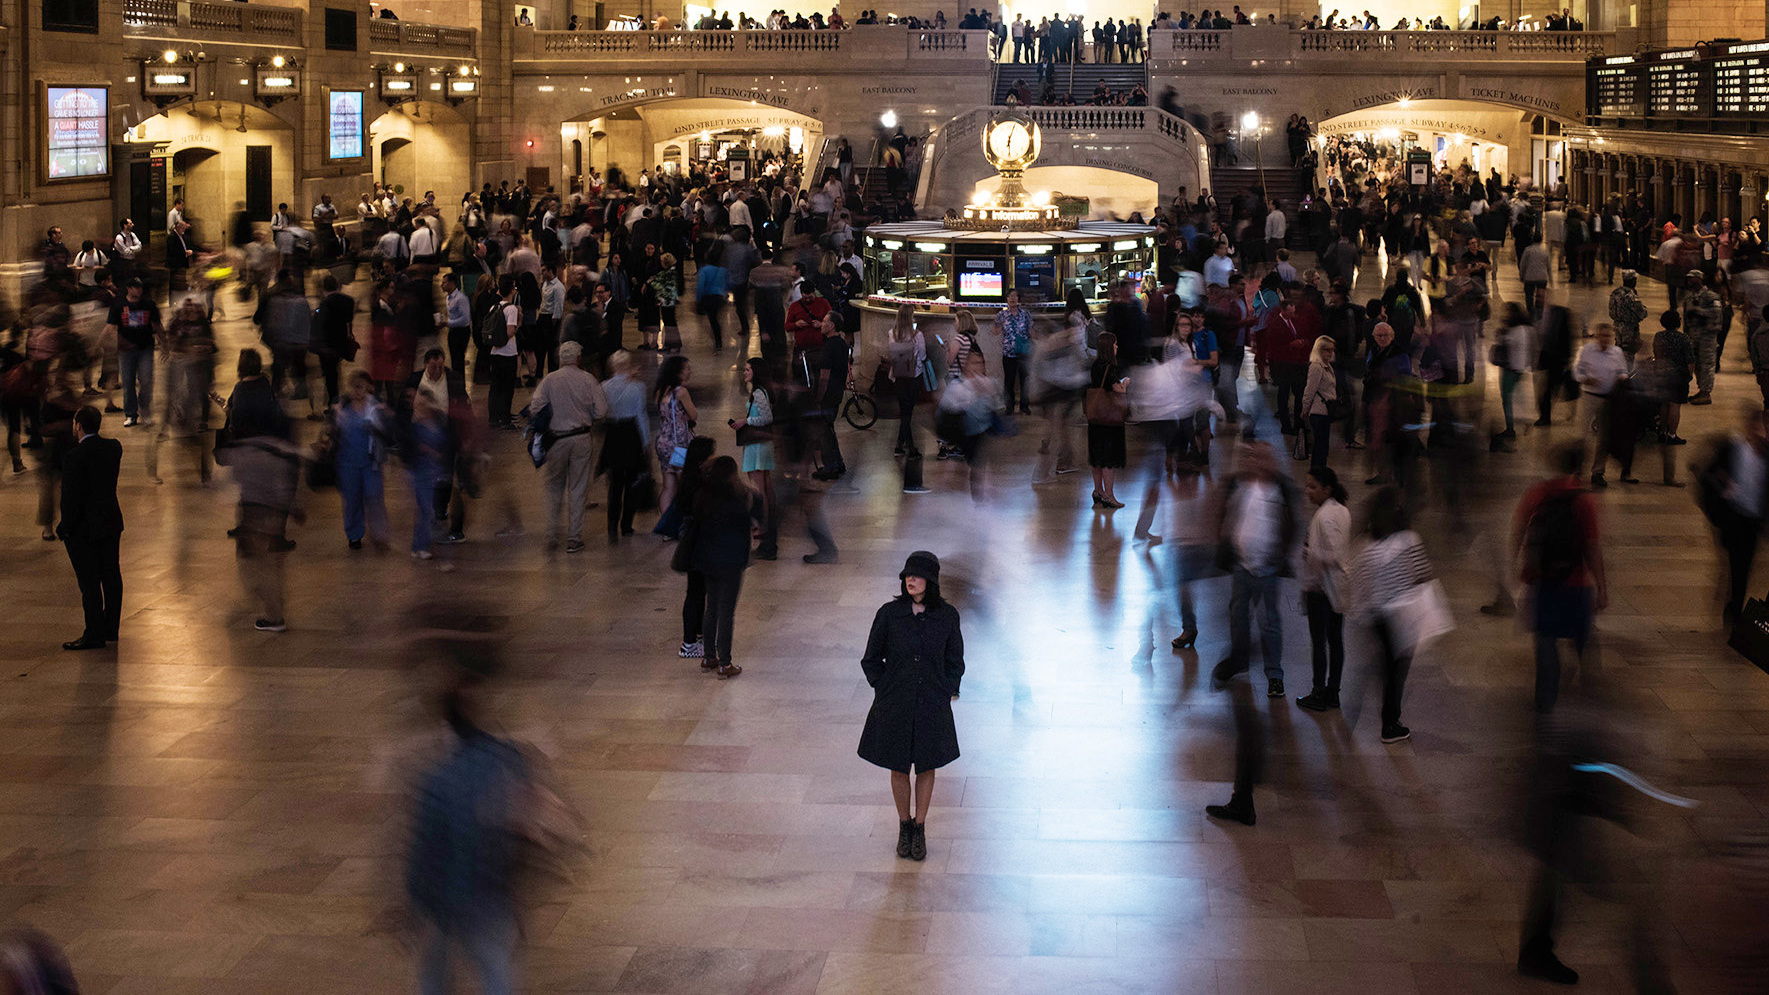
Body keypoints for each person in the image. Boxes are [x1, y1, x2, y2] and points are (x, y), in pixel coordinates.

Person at [858, 551, 965, 862]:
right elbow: (871, 659)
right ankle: (904, 825)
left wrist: (947, 690)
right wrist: (884, 688)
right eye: (907, 575)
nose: (910, 580)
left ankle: (920, 827)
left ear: (931, 580)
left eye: (917, 575)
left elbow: (955, 661)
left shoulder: (947, 616)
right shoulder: (889, 614)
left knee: (927, 765)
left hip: (931, 703)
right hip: (896, 703)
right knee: (898, 765)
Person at [1513, 445, 1606, 712]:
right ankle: (1590, 686)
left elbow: (1519, 532)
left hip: (1543, 581)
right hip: (1575, 583)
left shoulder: (1537, 493)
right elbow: (1591, 547)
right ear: (1579, 468)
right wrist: (1602, 586)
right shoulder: (1583, 500)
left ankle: (1545, 699)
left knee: (1546, 640)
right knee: (1583, 635)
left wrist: (1519, 565)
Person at [1211, 441, 1301, 699]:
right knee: (1238, 618)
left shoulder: (1280, 488)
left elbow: (1292, 524)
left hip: (1268, 567)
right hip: (1242, 565)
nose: (1257, 462)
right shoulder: (1239, 484)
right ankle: (1239, 661)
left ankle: (1274, 675)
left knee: (1270, 622)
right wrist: (1223, 540)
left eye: (1262, 457)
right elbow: (1224, 512)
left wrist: (1281, 553)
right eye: (1254, 457)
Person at [531, 340, 608, 554]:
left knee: (553, 486)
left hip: (556, 439)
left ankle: (552, 534)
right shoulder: (588, 379)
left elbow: (535, 407)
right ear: (579, 358)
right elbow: (601, 410)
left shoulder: (549, 380)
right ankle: (574, 538)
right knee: (578, 487)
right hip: (581, 437)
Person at [686, 456, 759, 680]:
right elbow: (748, 525)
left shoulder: (702, 497)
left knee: (711, 608)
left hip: (708, 561)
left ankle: (709, 656)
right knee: (726, 613)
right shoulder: (736, 501)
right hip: (730, 563)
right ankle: (725, 663)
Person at [57, 405, 123, 651]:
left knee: (89, 582)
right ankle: (111, 627)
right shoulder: (114, 447)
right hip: (110, 521)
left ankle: (94, 632)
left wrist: (65, 527)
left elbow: (70, 498)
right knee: (111, 575)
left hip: (85, 528)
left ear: (78, 426)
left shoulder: (74, 457)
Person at [1701, 409, 1769, 627]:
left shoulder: (1766, 455)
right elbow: (1708, 475)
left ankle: (1734, 606)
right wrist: (1723, 492)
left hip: (1753, 521)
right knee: (1737, 565)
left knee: (1743, 568)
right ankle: (1735, 609)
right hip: (1734, 518)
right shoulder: (1733, 448)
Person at [1296, 467, 1350, 711]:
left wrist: (1310, 552)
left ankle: (1319, 692)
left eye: (1312, 486)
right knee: (1336, 641)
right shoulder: (1342, 510)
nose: (1307, 491)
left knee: (1320, 642)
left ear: (1326, 489)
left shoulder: (1325, 516)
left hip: (1322, 589)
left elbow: (1335, 554)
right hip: (1336, 588)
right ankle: (1333, 692)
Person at [334, 371, 392, 550]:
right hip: (347, 462)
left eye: (362, 387)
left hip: (370, 461)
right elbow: (333, 433)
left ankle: (378, 533)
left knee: (374, 496)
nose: (358, 391)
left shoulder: (375, 407)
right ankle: (354, 535)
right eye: (355, 387)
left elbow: (387, 432)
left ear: (368, 388)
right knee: (352, 499)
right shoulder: (341, 407)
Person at [597, 350, 649, 543]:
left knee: (615, 484)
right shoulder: (638, 387)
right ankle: (626, 525)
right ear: (628, 366)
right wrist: (645, 441)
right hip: (631, 434)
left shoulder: (604, 386)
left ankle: (612, 526)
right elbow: (641, 415)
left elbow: (600, 412)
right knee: (632, 482)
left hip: (613, 435)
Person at [1573, 322, 1632, 488]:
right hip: (1590, 397)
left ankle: (1598, 471)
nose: (1606, 339)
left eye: (1608, 336)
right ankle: (1578, 469)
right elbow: (1577, 371)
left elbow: (1623, 371)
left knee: (1604, 437)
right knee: (1584, 436)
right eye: (1603, 336)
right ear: (1597, 336)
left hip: (1609, 399)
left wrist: (1621, 379)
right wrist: (1585, 379)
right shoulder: (1586, 351)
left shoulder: (1617, 352)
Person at [106, 278, 161, 428]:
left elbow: (157, 325)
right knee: (128, 382)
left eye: (140, 288)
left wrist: (164, 343)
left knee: (146, 381)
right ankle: (131, 414)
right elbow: (111, 327)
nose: (138, 291)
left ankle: (145, 410)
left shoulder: (148, 305)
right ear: (129, 289)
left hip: (145, 348)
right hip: (126, 351)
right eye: (135, 288)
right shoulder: (118, 305)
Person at [653, 355, 698, 524]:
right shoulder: (681, 392)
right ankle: (684, 520)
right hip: (678, 444)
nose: (689, 371)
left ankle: (666, 523)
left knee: (668, 486)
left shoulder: (660, 390)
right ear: (678, 371)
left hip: (663, 441)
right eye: (687, 368)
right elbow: (693, 414)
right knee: (682, 483)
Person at [732, 357, 776, 524]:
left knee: (759, 490)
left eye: (747, 369)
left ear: (756, 372)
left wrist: (746, 421)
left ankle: (763, 525)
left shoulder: (758, 393)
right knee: (766, 484)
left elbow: (767, 418)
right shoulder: (763, 391)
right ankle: (770, 521)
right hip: (763, 443)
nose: (744, 372)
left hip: (756, 445)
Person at [1087, 331, 1127, 507]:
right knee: (1108, 459)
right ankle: (1109, 496)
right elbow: (1119, 390)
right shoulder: (1110, 368)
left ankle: (1098, 491)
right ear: (1109, 347)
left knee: (1097, 457)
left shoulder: (1095, 365)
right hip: (1109, 418)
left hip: (1095, 416)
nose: (1117, 347)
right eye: (1115, 344)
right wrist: (1125, 383)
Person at [886, 304, 926, 456]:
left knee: (904, 410)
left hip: (898, 375)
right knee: (907, 413)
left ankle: (900, 443)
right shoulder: (917, 335)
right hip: (914, 376)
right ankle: (910, 447)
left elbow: (891, 353)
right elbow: (923, 356)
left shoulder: (892, 333)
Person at [1301, 334, 1338, 469]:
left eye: (1332, 350)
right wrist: (1305, 409)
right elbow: (1309, 390)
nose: (1330, 353)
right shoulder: (1316, 367)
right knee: (1319, 446)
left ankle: (1319, 470)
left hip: (1326, 411)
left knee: (1323, 445)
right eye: (1327, 350)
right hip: (1318, 411)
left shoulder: (1327, 366)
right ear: (1319, 350)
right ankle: (1316, 471)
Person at [994, 290, 1033, 415]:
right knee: (1009, 381)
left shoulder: (1025, 314)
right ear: (1006, 299)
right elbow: (995, 330)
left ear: (1018, 298)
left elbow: (1030, 330)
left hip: (1023, 352)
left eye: (1015, 296)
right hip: (1008, 352)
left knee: (1024, 380)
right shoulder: (1001, 315)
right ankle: (1009, 406)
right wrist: (997, 329)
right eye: (1010, 296)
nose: (1012, 298)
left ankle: (1024, 405)